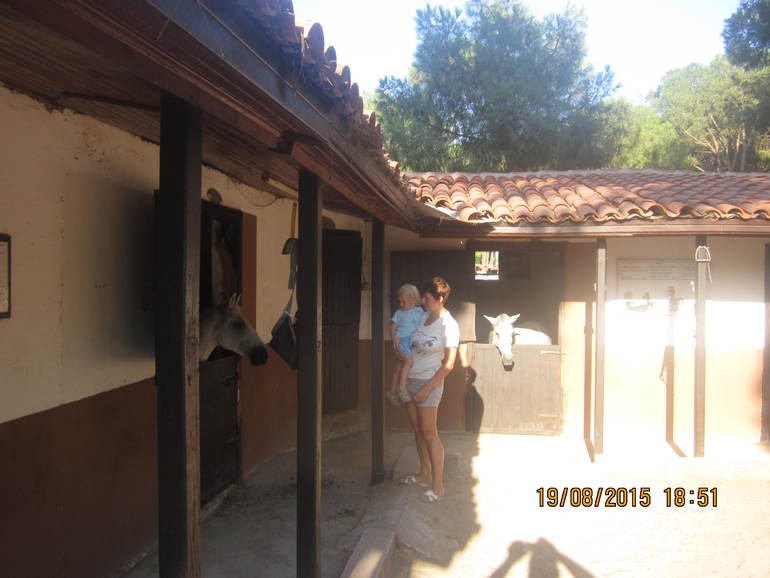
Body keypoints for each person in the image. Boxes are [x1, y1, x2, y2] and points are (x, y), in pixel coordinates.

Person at [400, 276, 459, 503]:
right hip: (411, 379)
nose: (422, 301)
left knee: (430, 434)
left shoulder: (449, 325)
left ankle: (438, 486)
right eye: (423, 297)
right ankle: (424, 474)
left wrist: (426, 389)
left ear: (440, 298)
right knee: (417, 430)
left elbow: (449, 364)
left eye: (426, 297)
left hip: (429, 382)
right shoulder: (423, 317)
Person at [387, 284, 423, 406]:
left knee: (400, 366)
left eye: (404, 301)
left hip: (412, 342)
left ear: (413, 299)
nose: (401, 304)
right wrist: (394, 338)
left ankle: (392, 391)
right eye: (399, 302)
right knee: (408, 362)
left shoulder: (419, 311)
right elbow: (392, 327)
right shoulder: (399, 312)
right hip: (402, 341)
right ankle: (401, 388)